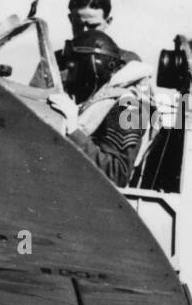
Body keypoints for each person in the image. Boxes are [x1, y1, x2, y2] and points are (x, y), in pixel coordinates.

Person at [48, 29, 149, 187]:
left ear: (92, 67)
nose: (69, 73)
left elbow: (117, 174)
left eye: (74, 65)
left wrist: (74, 130)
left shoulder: (128, 108)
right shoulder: (92, 100)